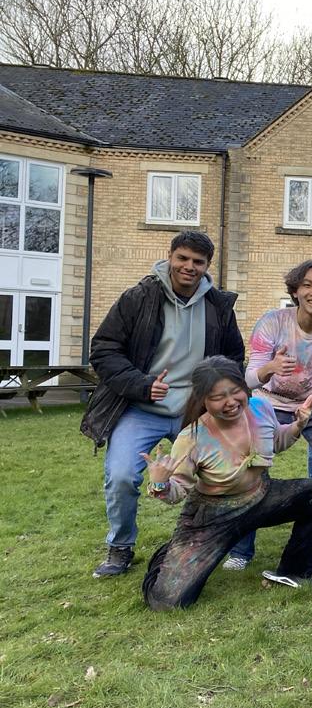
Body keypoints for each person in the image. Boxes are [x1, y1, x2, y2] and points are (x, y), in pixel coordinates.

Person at [81, 230, 245, 579]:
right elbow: (104, 350)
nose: (189, 267)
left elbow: (233, 356)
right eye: (182, 258)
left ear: (207, 265)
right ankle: (120, 546)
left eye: (198, 261)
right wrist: (141, 384)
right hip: (141, 409)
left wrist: (218, 396)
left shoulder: (218, 306)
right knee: (122, 476)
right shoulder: (139, 298)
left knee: (231, 471)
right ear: (170, 257)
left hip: (196, 413)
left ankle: (221, 540)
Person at [141, 358, 312, 610]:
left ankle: (296, 570)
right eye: (218, 397)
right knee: (167, 602)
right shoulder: (191, 438)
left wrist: (298, 424)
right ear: (203, 400)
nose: (231, 402)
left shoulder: (260, 408)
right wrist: (160, 483)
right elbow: (177, 491)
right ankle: (172, 553)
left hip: (262, 496)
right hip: (213, 517)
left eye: (235, 392)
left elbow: (277, 441)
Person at [226, 260, 312, 571]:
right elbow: (249, 380)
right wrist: (270, 368)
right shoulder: (272, 322)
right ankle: (241, 551)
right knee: (250, 468)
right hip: (267, 403)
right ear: (296, 291)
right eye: (308, 285)